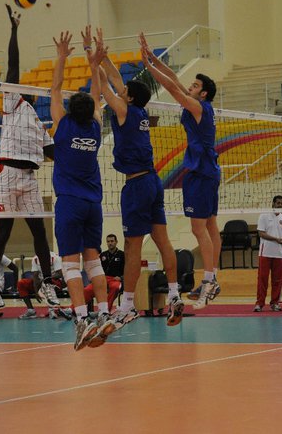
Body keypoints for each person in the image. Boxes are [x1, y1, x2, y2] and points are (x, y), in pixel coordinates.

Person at [90, 29, 181, 338]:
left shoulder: (124, 109)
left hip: (137, 185)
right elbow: (117, 81)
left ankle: (127, 305)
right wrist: (105, 58)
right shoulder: (138, 110)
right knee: (163, 240)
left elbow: (105, 86)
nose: (122, 90)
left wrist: (94, 61)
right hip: (153, 181)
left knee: (132, 247)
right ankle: (174, 294)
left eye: (125, 91)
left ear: (128, 97)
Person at [139, 33, 221, 309]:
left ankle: (208, 281)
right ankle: (212, 277)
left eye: (195, 85)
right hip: (208, 170)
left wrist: (149, 69)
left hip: (201, 172)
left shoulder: (198, 107)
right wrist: (153, 58)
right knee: (210, 225)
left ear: (203, 93)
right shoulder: (200, 105)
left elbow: (172, 87)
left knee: (199, 228)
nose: (190, 86)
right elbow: (175, 80)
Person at [0, 4, 56, 311]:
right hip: (6, 173)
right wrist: (14, 31)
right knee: (4, 231)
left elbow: (54, 153)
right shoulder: (12, 103)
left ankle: (48, 283)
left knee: (40, 230)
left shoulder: (39, 124)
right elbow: (12, 66)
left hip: (29, 178)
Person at [50, 28, 110, 350]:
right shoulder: (96, 126)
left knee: (70, 264)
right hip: (93, 204)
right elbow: (97, 93)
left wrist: (62, 56)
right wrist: (93, 62)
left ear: (71, 110)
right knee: (93, 261)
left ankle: (83, 319)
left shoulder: (62, 124)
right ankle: (105, 313)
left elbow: (55, 87)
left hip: (70, 203)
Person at [17, 251, 71, 320]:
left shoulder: (55, 258)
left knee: (46, 283)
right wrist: (36, 291)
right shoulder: (35, 259)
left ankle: (54, 309)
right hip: (41, 282)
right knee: (21, 283)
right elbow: (35, 276)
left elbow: (60, 274)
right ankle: (31, 311)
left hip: (54, 282)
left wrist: (45, 279)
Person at [85, 233, 123, 310]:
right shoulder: (103, 255)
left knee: (115, 287)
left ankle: (105, 310)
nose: (110, 243)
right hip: (102, 278)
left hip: (115, 279)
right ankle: (73, 309)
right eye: (108, 241)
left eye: (112, 241)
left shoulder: (122, 255)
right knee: (87, 289)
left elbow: (127, 271)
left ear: (116, 242)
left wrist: (121, 278)